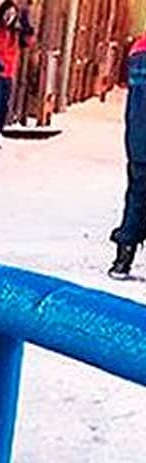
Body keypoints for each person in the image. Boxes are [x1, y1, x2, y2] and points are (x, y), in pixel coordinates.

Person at [108, 31, 146, 279]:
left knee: (137, 193)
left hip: (138, 139)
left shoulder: (136, 52)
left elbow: (123, 84)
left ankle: (124, 256)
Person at [0, 0, 33, 149]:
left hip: (8, 75)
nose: (9, 17)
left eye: (13, 14)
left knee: (3, 107)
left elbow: (27, 41)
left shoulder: (14, 33)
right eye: (7, 13)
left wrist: (26, 21)